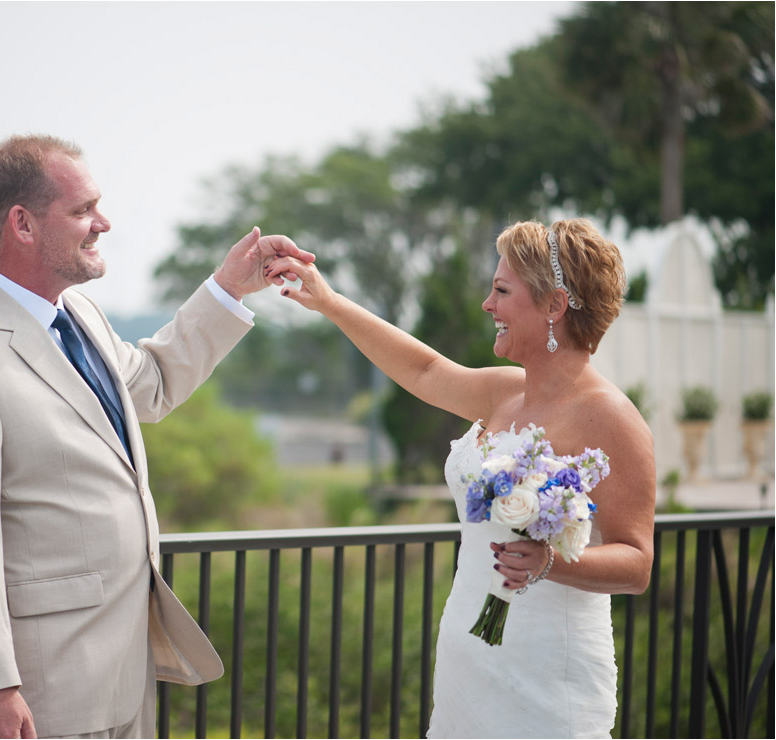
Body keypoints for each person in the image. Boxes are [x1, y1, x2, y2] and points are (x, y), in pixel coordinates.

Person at [0, 134, 313, 739]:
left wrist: (230, 286)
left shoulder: (79, 314)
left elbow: (150, 384)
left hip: (125, 671)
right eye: (83, 210)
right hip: (44, 690)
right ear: (22, 224)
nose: (104, 223)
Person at [268, 218, 655, 738]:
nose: (486, 305)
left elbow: (636, 562)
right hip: (466, 667)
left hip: (546, 676)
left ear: (555, 306)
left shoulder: (613, 420)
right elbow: (424, 371)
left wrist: (550, 560)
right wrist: (330, 301)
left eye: (500, 290)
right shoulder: (504, 392)